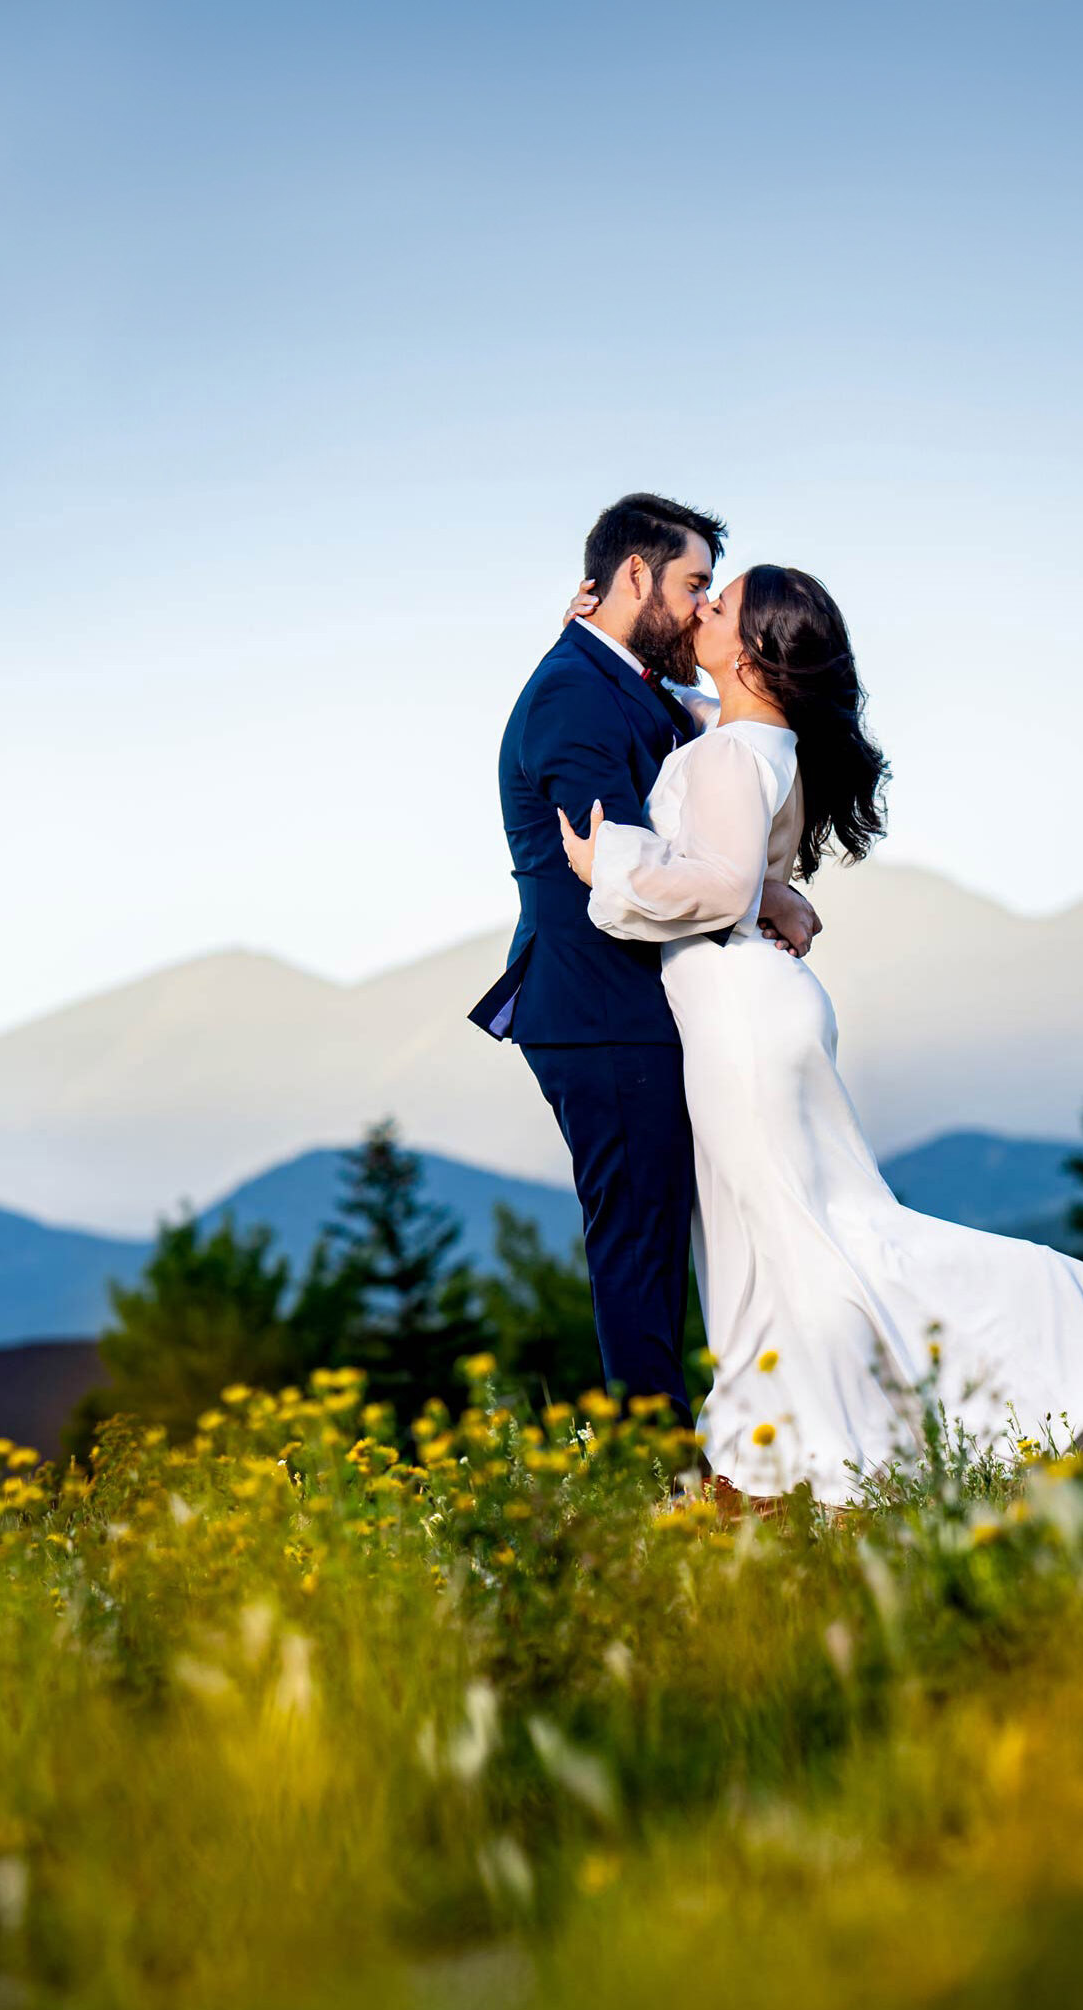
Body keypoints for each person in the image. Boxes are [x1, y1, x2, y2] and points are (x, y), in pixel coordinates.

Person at [556, 562, 1083, 1504]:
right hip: (763, 1007)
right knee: (771, 1234)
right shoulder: (758, 739)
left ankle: (1018, 1327)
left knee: (794, 1233)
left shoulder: (731, 753)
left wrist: (604, 860)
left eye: (718, 605)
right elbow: (701, 725)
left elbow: (721, 887)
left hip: (738, 1013)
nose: (701, 608)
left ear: (758, 657)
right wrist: (603, 631)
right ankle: (776, 1456)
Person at [468, 494, 821, 1415]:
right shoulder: (572, 695)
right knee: (639, 1244)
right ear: (635, 577)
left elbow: (705, 777)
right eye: (695, 585)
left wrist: (757, 883)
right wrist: (757, 891)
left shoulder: (624, 681)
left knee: (668, 1238)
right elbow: (622, 864)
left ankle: (704, 1452)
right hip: (599, 1011)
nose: (705, 607)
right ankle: (656, 1472)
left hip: (635, 1005)